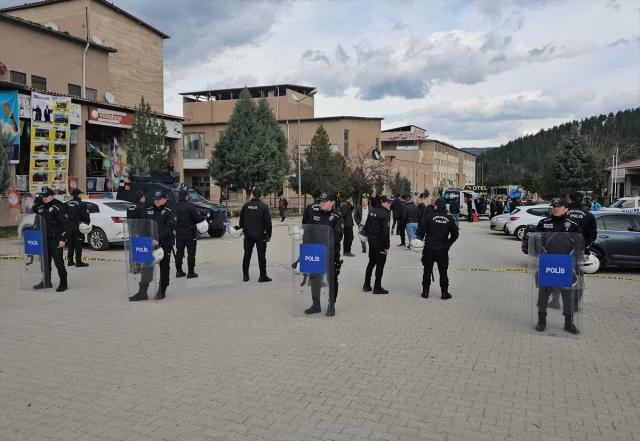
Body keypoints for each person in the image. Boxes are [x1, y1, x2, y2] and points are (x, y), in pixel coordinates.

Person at [534, 197, 582, 334]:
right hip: (547, 265)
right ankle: (541, 322)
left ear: (566, 209)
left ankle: (569, 323)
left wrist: (573, 259)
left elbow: (578, 246)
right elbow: (537, 242)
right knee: (543, 295)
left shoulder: (573, 225)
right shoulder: (543, 223)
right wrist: (539, 253)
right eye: (553, 206)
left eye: (559, 206)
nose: (555, 208)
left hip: (565, 265)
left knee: (568, 296)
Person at [302, 192, 343, 316]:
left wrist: (325, 243)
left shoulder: (337, 215)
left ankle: (332, 305)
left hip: (330, 252)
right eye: (320, 201)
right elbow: (306, 228)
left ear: (332, 202)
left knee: (332, 279)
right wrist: (306, 248)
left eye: (324, 201)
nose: (322, 204)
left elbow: (338, 236)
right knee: (315, 278)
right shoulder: (313, 211)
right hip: (314, 251)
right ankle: (316, 305)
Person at [130, 191, 176, 301]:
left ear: (165, 199)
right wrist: (142, 237)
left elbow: (169, 228)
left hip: (164, 243)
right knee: (147, 267)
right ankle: (142, 292)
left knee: (164, 267)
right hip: (149, 243)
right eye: (155, 199)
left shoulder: (170, 211)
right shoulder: (148, 210)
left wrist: (157, 239)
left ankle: (162, 289)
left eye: (159, 199)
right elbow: (143, 225)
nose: (157, 201)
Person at [415, 198, 459, 300]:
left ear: (436, 206)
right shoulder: (449, 218)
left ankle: (425, 292)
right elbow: (455, 234)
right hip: (442, 250)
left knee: (427, 270)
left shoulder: (429, 217)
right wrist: (448, 244)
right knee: (443, 272)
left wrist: (418, 241)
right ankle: (444, 293)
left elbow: (420, 232)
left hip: (429, 248)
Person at [32, 186, 69, 292]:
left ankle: (63, 283)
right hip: (43, 239)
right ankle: (46, 281)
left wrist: (63, 239)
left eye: (46, 197)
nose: (44, 198)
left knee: (58, 262)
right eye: (42, 197)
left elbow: (66, 225)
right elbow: (34, 210)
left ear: (52, 196)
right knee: (44, 262)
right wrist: (37, 199)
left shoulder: (58, 206)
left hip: (55, 239)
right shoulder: (41, 205)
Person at [239, 188, 272, 283]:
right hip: (260, 235)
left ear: (252, 195)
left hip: (248, 235)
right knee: (261, 256)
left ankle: (245, 276)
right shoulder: (263, 206)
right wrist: (269, 235)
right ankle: (262, 276)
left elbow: (241, 221)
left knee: (247, 255)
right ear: (260, 195)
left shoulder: (246, 206)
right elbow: (268, 223)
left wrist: (243, 229)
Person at [362, 195, 391, 294]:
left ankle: (366, 285)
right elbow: (385, 232)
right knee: (380, 265)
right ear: (383, 203)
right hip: (380, 242)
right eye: (388, 202)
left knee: (371, 262)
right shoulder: (385, 214)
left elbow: (366, 227)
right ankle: (377, 287)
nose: (389, 204)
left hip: (371, 240)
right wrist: (387, 245)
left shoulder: (372, 211)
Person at [174, 189, 203, 279]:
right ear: (186, 196)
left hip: (178, 233)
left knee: (179, 252)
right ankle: (191, 272)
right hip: (190, 233)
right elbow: (197, 219)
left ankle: (178, 271)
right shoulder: (190, 206)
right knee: (191, 254)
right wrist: (202, 217)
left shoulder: (174, 206)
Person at [65, 188, 90, 267]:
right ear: (78, 195)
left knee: (70, 244)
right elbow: (85, 216)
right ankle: (78, 262)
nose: (82, 195)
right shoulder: (82, 204)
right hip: (78, 226)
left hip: (68, 226)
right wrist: (86, 223)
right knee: (78, 244)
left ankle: (70, 261)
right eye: (81, 194)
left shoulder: (66, 203)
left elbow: (63, 215)